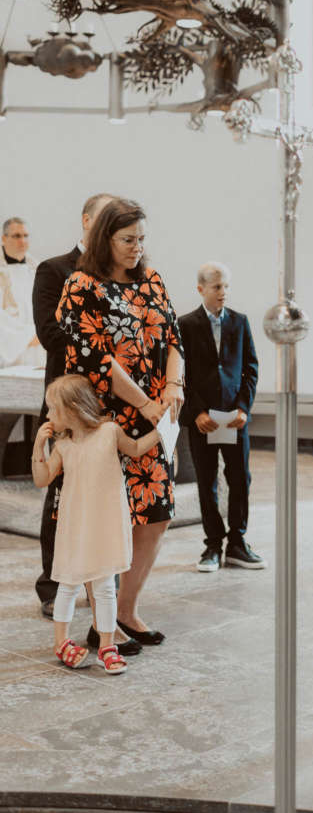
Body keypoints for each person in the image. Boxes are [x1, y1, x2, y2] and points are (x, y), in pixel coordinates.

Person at [56, 198, 184, 646]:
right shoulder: (81, 285)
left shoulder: (151, 279)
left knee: (156, 514)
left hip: (155, 416)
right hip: (107, 417)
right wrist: (146, 402)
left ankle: (126, 611)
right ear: (103, 238)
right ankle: (101, 623)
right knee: (109, 517)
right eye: (127, 240)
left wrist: (174, 386)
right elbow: (94, 359)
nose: (136, 248)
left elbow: (172, 336)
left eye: (141, 240)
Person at [32, 375, 163, 674]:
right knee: (68, 583)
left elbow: (135, 448)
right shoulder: (63, 445)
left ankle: (107, 646)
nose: (49, 415)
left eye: (53, 409)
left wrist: (165, 431)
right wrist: (39, 446)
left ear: (72, 409)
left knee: (104, 585)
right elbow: (42, 479)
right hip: (75, 523)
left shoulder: (109, 431)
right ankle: (61, 641)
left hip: (104, 521)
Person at [32, 193, 116, 621]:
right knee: (61, 492)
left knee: (103, 490)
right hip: (69, 400)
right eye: (104, 220)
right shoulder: (54, 269)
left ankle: (102, 580)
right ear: (86, 221)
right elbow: (50, 332)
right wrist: (105, 353)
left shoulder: (121, 274)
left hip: (110, 400)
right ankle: (52, 584)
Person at [179, 262, 263, 572]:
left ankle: (237, 543)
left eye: (226, 286)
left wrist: (243, 407)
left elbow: (250, 368)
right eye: (217, 287)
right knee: (207, 480)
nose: (223, 292)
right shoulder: (185, 325)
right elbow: (180, 373)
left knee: (240, 478)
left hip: (234, 416)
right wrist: (196, 411)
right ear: (201, 289)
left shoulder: (239, 323)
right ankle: (213, 544)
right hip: (204, 418)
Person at [0, 217, 44, 368]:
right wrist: (27, 337)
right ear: (3, 238)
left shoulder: (39, 270)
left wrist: (43, 333)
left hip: (39, 347)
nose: (23, 241)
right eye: (17, 236)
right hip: (11, 348)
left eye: (26, 236)